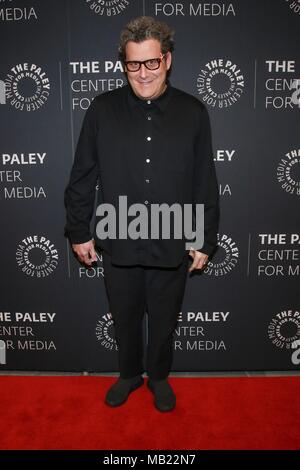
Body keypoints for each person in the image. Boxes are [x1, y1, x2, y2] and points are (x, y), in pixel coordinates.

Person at [64, 16, 219, 412]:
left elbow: (204, 180)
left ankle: (160, 377)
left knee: (165, 321)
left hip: (171, 238)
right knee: (125, 317)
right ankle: (130, 374)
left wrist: (204, 237)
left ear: (166, 59)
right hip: (118, 238)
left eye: (151, 62)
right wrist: (79, 230)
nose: (143, 73)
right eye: (134, 64)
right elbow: (82, 175)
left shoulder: (193, 112)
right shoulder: (101, 110)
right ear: (124, 64)